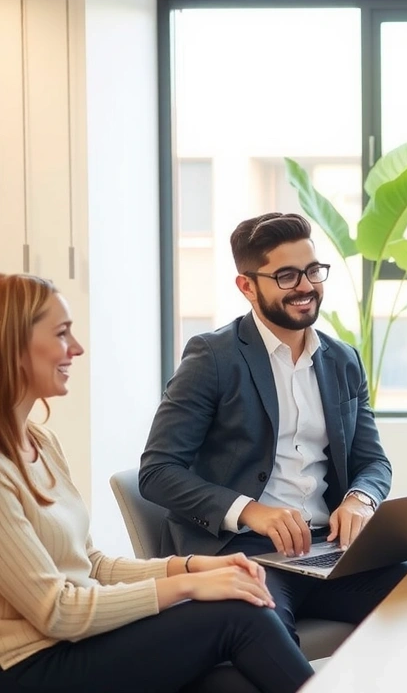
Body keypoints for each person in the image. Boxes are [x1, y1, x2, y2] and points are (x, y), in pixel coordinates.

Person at [0, 273, 313, 693]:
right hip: (33, 665)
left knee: (231, 681)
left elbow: (91, 565)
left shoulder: (41, 441)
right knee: (240, 615)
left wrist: (191, 564)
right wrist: (188, 586)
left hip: (73, 643)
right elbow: (57, 611)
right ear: (14, 345)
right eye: (61, 334)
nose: (76, 348)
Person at [139, 212, 407, 645]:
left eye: (312, 271)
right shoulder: (213, 358)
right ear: (247, 286)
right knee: (264, 629)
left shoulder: (343, 360)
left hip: (328, 551)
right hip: (244, 551)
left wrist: (361, 499)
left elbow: (372, 461)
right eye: (286, 275)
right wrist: (251, 510)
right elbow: (157, 472)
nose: (305, 286)